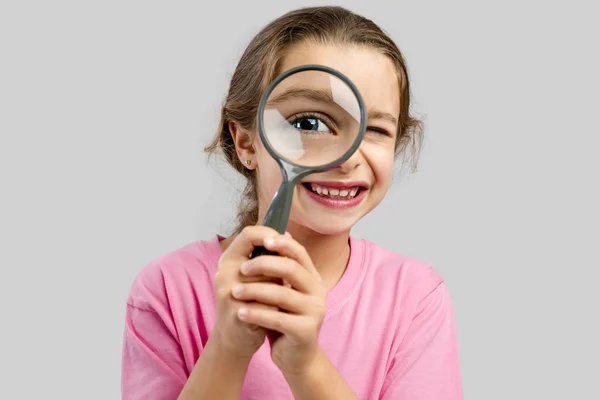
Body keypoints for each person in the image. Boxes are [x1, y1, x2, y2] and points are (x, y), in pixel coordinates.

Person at [121, 5, 463, 400]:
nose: (347, 156)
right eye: (310, 123)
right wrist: (229, 348)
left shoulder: (415, 298)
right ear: (247, 141)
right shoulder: (167, 289)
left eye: (376, 130)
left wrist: (306, 364)